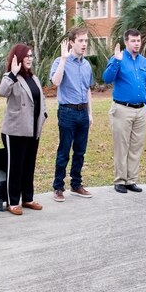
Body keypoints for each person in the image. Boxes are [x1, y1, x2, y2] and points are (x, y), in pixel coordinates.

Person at [0, 44, 47, 215]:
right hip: (15, 131)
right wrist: (12, 73)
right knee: (15, 167)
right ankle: (12, 201)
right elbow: (2, 92)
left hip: (33, 130)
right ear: (17, 58)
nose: (29, 59)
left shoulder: (34, 78)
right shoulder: (10, 77)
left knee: (29, 166)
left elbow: (41, 99)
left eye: (31, 56)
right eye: (26, 56)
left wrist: (44, 115)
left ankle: (28, 198)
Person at [102, 29, 146, 193]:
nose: (137, 43)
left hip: (141, 110)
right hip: (122, 109)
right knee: (121, 146)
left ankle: (131, 180)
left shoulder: (145, 62)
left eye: (138, 40)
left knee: (136, 147)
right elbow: (106, 78)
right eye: (133, 41)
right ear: (126, 42)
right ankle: (120, 180)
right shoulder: (118, 58)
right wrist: (116, 62)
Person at [49, 27, 93, 202]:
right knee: (64, 151)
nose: (84, 44)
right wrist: (63, 60)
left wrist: (90, 113)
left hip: (83, 112)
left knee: (80, 151)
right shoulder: (61, 61)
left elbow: (88, 89)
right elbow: (56, 82)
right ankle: (58, 187)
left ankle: (76, 185)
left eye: (86, 41)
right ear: (72, 42)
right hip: (67, 111)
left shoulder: (87, 64)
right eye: (81, 41)